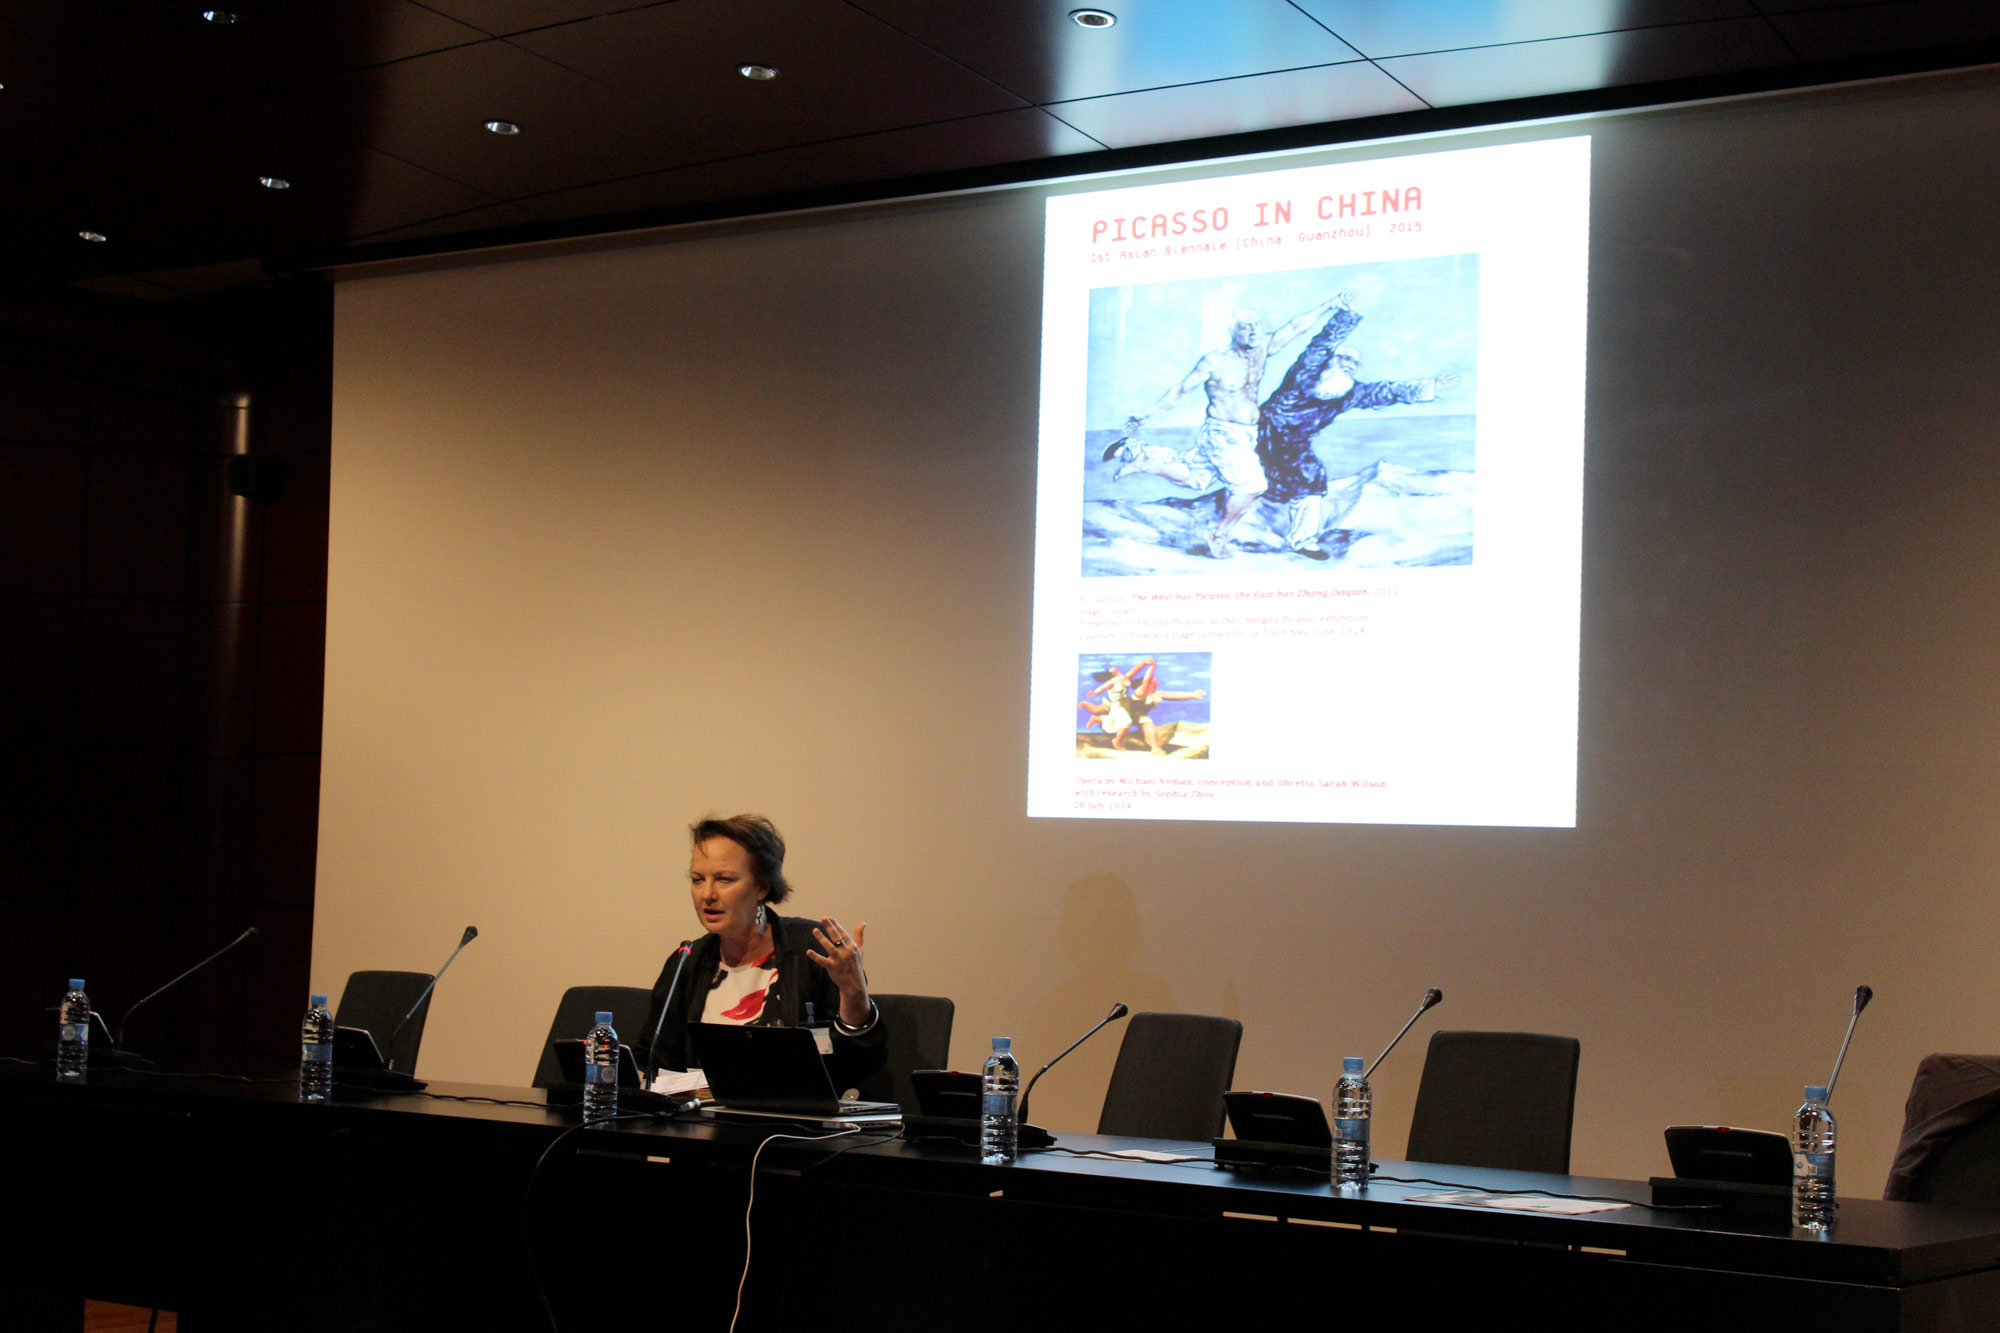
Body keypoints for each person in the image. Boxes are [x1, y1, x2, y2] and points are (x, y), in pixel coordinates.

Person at [637, 814, 885, 1090]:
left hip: (796, 1114)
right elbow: (654, 1060)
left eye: (724, 879)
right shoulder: (687, 961)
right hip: (706, 1115)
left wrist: (854, 995)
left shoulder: (812, 951)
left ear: (762, 887)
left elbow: (860, 1064)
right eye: (697, 879)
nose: (707, 894)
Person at [1110, 293, 1350, 558]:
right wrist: (1146, 414)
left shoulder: (1262, 349)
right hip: (1223, 433)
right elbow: (1180, 390)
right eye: (1246, 327)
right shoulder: (1214, 361)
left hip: (1247, 435)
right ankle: (1218, 534)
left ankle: (1142, 461)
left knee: (1196, 480)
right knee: (1252, 486)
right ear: (1233, 331)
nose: (1253, 331)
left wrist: (1329, 306)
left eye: (1256, 325)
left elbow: (1295, 327)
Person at [1256, 299, 1460, 559]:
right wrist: (1346, 318)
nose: (1349, 364)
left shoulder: (1348, 392)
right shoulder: (1306, 371)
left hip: (1294, 447)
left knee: (1311, 478)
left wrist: (1428, 388)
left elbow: (1384, 392)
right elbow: (1323, 343)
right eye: (1343, 358)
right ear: (1330, 360)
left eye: (1353, 362)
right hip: (1261, 430)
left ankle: (1301, 540)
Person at [1081, 658, 1205, 754]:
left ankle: (1155, 747)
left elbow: (1174, 695)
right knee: (1103, 712)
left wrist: (1192, 695)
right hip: (1126, 710)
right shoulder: (1140, 692)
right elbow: (1146, 679)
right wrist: (1152, 667)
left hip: (1137, 715)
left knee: (1147, 724)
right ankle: (1113, 736)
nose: (1156, 681)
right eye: (1153, 680)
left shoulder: (1156, 694)